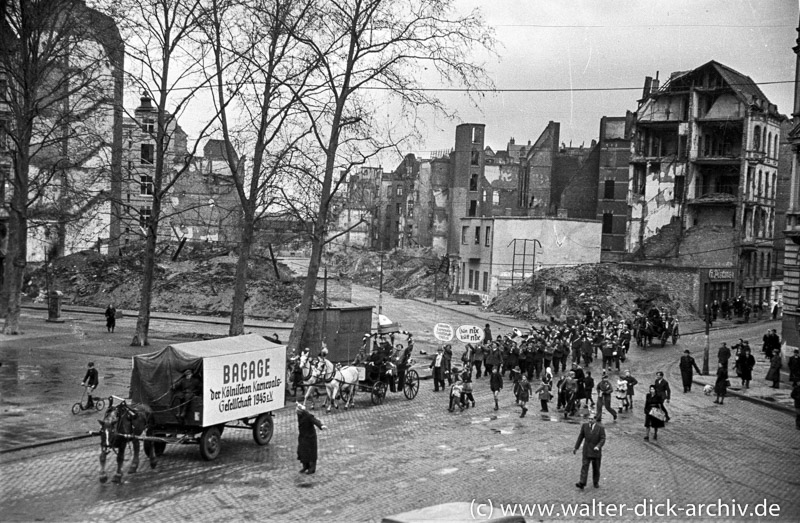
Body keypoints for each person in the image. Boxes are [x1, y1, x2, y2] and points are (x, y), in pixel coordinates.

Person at [573, 416, 606, 490]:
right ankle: (582, 483)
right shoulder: (585, 426)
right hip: (587, 450)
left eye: (592, 419)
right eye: (589, 419)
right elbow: (581, 437)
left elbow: (603, 439)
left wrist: (598, 446)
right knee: (584, 466)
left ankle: (595, 482)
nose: (590, 420)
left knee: (596, 468)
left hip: (596, 452)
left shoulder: (600, 428)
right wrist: (576, 447)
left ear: (595, 419)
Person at [296, 402, 326, 474]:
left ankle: (312, 468)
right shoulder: (299, 415)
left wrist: (321, 426)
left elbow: (314, 420)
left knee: (311, 453)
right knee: (302, 451)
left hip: (310, 437)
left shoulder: (307, 415)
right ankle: (305, 466)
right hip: (303, 436)